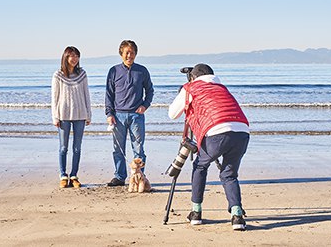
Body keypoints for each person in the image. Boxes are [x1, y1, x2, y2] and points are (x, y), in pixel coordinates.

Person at [168, 63, 250, 231]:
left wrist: (184, 97)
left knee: (200, 166)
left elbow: (172, 114)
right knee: (229, 174)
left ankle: (196, 212)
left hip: (217, 132)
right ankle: (237, 216)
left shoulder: (191, 87)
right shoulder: (221, 87)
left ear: (193, 77)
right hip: (242, 131)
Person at [105, 40, 154, 186]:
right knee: (118, 148)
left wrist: (145, 105)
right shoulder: (113, 71)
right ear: (121, 53)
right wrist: (109, 113)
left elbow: (150, 90)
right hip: (118, 116)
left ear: (136, 54)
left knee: (138, 148)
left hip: (136, 115)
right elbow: (109, 94)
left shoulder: (142, 70)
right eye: (127, 52)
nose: (129, 55)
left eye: (132, 52)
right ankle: (120, 177)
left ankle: (140, 177)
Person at [51, 46, 92, 188]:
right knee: (63, 147)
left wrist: (88, 114)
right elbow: (54, 98)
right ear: (65, 57)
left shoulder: (82, 74)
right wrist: (55, 117)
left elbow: (87, 95)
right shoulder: (58, 75)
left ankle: (74, 175)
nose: (74, 59)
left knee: (77, 148)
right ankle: (63, 175)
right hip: (63, 116)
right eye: (71, 56)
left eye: (76, 56)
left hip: (80, 115)